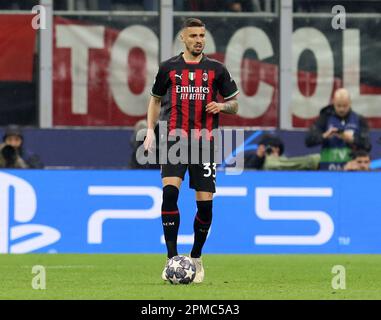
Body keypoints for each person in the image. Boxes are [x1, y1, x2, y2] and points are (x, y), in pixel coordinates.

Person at [143, 18, 239, 283]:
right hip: (174, 140)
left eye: (202, 35)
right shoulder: (168, 69)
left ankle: (196, 257)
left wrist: (221, 107)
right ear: (182, 39)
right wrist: (150, 130)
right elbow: (155, 100)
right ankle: (171, 258)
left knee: (205, 206)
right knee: (169, 193)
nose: (199, 39)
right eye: (194, 35)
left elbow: (234, 104)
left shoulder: (217, 69)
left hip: (205, 142)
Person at [305, 88, 371, 170]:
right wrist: (325, 136)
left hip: (351, 169)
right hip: (327, 167)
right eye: (338, 105)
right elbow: (308, 141)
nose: (341, 109)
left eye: (345, 106)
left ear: (350, 103)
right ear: (333, 102)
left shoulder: (359, 119)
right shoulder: (324, 118)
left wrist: (352, 139)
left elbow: (367, 145)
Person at [245, 133, 320, 170]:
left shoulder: (282, 161)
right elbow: (248, 171)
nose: (276, 150)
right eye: (273, 148)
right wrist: (258, 157)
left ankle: (312, 161)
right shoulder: (252, 157)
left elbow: (290, 164)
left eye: (278, 149)